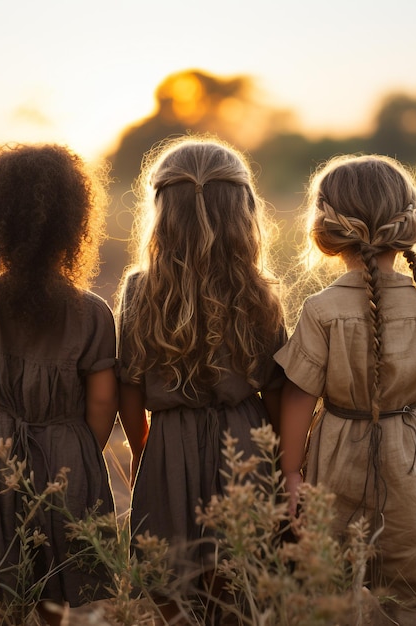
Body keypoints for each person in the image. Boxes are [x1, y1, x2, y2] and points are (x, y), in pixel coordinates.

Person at [275, 154, 416, 625]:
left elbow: (298, 395)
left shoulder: (320, 309)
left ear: (326, 228)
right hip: (414, 455)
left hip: (336, 451)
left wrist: (290, 472)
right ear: (408, 224)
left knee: (326, 581)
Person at [0, 144, 118, 626]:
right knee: (58, 586)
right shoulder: (94, 313)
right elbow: (104, 400)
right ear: (74, 223)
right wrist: (78, 448)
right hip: (66, 458)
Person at [116, 136, 287, 620]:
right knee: (239, 576)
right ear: (243, 209)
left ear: (161, 211)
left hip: (168, 443)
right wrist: (279, 452)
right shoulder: (261, 291)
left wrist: (141, 447)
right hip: (247, 441)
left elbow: (130, 385)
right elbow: (276, 387)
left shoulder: (138, 289)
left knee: (169, 574)